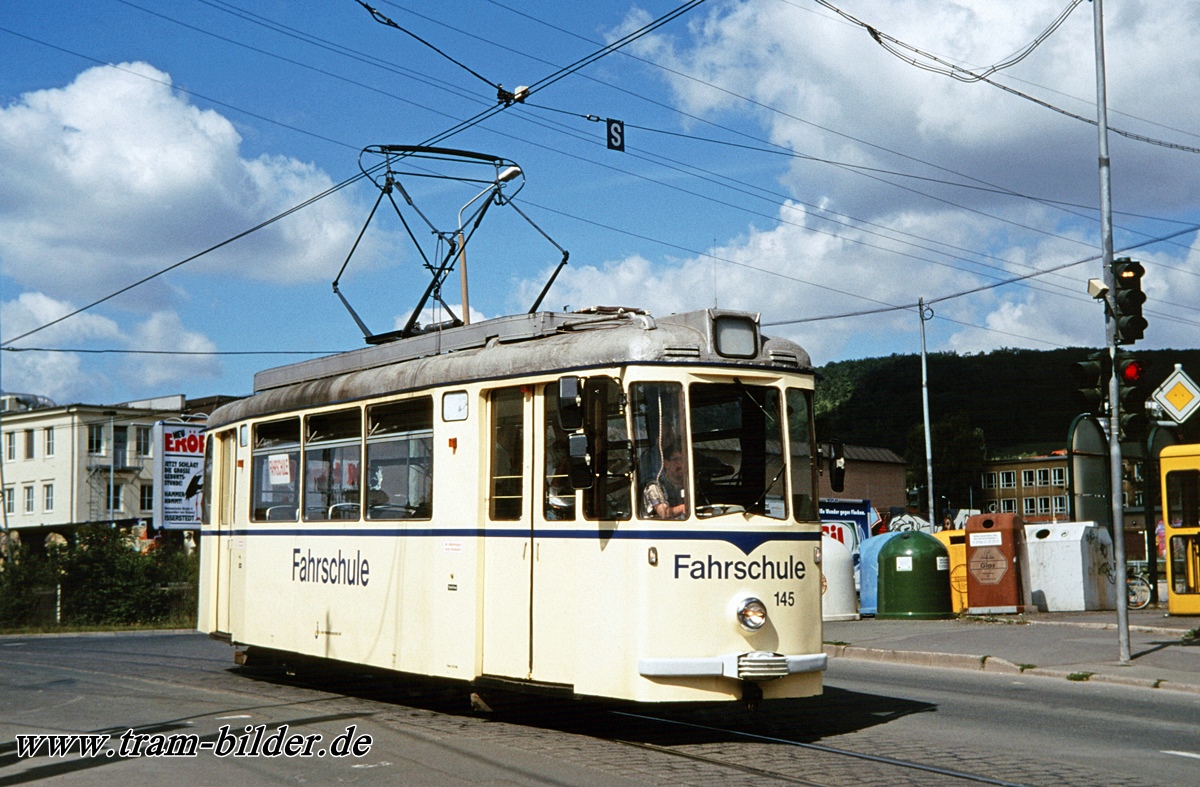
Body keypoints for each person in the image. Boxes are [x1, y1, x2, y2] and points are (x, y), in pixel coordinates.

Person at [643, 448, 687, 519]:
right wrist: (683, 508)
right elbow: (664, 513)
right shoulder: (654, 487)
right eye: (678, 460)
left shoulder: (689, 485)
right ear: (666, 464)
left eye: (685, 461)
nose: (683, 465)